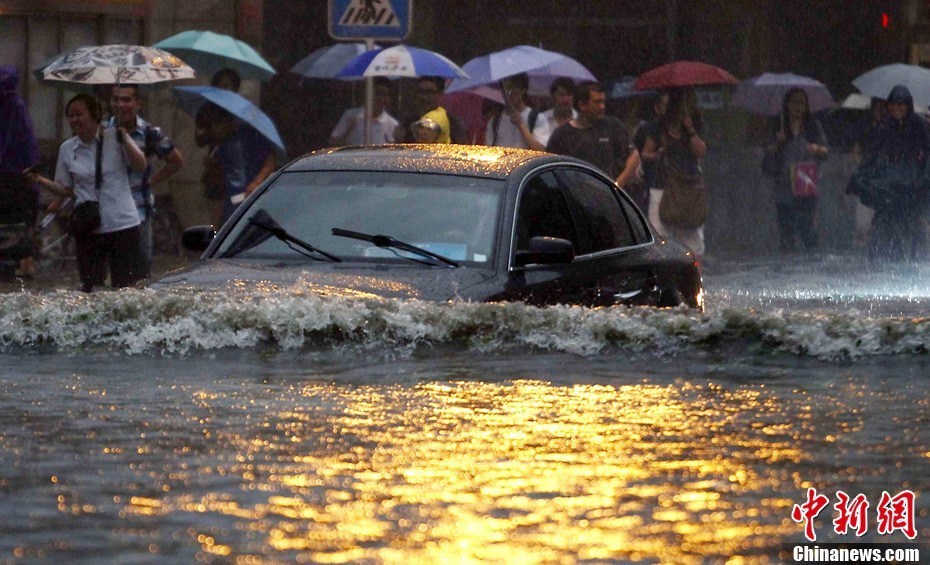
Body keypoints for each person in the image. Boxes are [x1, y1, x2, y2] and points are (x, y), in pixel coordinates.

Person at [26, 93, 147, 292]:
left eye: (79, 114)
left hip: (122, 224)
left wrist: (125, 138)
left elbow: (140, 166)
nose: (74, 120)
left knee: (126, 289)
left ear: (94, 114)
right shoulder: (67, 149)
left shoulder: (115, 137)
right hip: (88, 225)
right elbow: (65, 190)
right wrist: (39, 180)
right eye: (70, 116)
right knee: (91, 288)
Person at [848, 85, 930, 263]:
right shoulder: (884, 126)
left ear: (908, 106)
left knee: (915, 233)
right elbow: (872, 154)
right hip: (889, 191)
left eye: (901, 105)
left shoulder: (919, 125)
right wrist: (864, 177)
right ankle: (882, 266)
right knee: (882, 231)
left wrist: (922, 179)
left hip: (913, 191)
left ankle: (914, 268)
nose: (897, 109)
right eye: (893, 105)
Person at [109, 84, 184, 278]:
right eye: (116, 99)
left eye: (126, 100)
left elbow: (176, 161)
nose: (121, 104)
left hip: (139, 208)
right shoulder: (103, 131)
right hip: (110, 209)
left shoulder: (150, 133)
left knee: (142, 267)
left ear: (137, 103)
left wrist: (150, 181)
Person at [641, 88, 708, 256]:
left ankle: (693, 277)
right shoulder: (658, 127)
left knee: (693, 239)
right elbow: (645, 153)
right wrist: (658, 154)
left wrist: (690, 129)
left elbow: (700, 151)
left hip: (689, 185)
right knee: (659, 235)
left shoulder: (694, 124)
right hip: (662, 185)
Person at [762, 87, 829, 252]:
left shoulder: (813, 126)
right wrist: (779, 142)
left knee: (806, 227)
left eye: (801, 103)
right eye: (794, 103)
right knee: (786, 230)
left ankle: (811, 263)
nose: (797, 107)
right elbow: (767, 154)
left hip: (806, 183)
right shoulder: (778, 124)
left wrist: (816, 149)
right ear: (787, 104)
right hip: (784, 184)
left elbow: (826, 152)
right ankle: (787, 264)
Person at [546, 80, 641, 187]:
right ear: (582, 105)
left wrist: (617, 185)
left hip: (608, 195)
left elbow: (634, 156)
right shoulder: (562, 134)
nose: (602, 107)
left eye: (603, 102)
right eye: (597, 102)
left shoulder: (612, 126)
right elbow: (549, 167)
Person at [0, 65, 41, 278]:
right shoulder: (18, 109)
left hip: (15, 189)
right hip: (18, 187)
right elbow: (29, 152)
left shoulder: (14, 109)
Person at [209, 105, 276, 225]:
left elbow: (270, 161)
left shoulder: (250, 135)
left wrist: (256, 183)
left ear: (227, 121)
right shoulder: (221, 145)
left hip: (253, 198)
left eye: (217, 125)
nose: (215, 130)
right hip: (231, 204)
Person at [484, 73, 550, 150]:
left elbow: (541, 149)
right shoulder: (496, 120)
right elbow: (488, 148)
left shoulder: (536, 118)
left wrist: (521, 125)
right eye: (507, 88)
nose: (509, 93)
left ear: (523, 90)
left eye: (514, 88)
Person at [329, 77, 399, 146]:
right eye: (378, 94)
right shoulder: (351, 116)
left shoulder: (392, 123)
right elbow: (332, 143)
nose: (382, 98)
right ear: (368, 94)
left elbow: (392, 150)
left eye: (386, 95)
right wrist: (347, 132)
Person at [632, 92, 669, 216]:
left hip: (676, 184)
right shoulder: (649, 128)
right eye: (665, 105)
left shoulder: (683, 128)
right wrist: (657, 154)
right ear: (657, 107)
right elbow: (641, 153)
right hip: (653, 183)